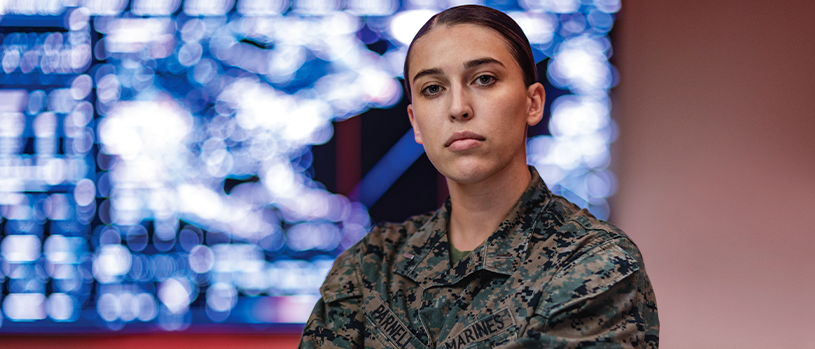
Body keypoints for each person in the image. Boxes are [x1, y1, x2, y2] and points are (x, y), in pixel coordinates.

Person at [300, 5, 659, 348]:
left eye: (484, 79)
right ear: (415, 122)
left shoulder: (596, 262)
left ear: (533, 103)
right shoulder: (369, 267)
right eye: (433, 89)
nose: (458, 108)